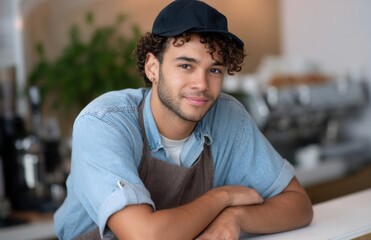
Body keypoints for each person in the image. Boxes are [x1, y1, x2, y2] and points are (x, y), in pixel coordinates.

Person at [54, 1, 313, 239]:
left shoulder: (228, 116)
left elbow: (299, 205)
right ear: (152, 68)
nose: (201, 84)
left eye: (214, 70)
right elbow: (145, 236)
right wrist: (222, 197)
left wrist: (237, 217)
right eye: (185, 66)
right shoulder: (103, 122)